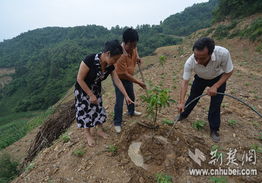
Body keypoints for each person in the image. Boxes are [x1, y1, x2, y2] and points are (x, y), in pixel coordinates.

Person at [74, 40, 133, 147]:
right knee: (86, 111)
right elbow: (79, 79)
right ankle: (88, 134)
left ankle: (99, 129)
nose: (115, 62)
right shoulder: (89, 60)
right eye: (115, 59)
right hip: (83, 89)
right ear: (107, 53)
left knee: (98, 108)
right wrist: (90, 95)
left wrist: (126, 95)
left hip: (96, 88)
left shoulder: (110, 66)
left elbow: (117, 81)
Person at [177, 37, 233, 142]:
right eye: (195, 56)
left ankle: (214, 129)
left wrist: (216, 86)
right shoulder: (190, 62)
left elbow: (229, 71)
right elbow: (185, 82)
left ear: (210, 54)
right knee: (193, 97)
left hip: (218, 78)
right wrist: (181, 102)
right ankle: (183, 115)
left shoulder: (223, 54)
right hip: (200, 78)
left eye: (202, 58)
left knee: (215, 104)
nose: (197, 61)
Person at [113, 28, 147, 133]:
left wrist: (138, 58)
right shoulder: (120, 54)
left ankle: (131, 111)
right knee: (119, 100)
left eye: (135, 45)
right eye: (132, 45)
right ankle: (117, 122)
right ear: (126, 43)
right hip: (120, 79)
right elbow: (123, 74)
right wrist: (139, 82)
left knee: (131, 96)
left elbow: (136, 53)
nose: (134, 47)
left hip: (128, 77)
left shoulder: (133, 47)